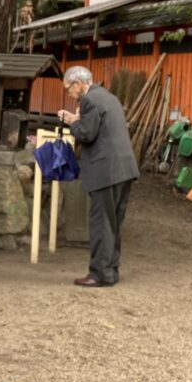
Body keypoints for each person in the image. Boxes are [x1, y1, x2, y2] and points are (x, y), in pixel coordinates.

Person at [57, 66, 139, 287]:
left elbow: (87, 133)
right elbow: (100, 127)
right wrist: (79, 119)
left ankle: (99, 274)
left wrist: (72, 122)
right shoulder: (108, 96)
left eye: (68, 89)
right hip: (125, 168)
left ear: (78, 83)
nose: (69, 94)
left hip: (105, 170)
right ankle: (111, 269)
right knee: (114, 222)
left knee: (101, 222)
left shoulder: (88, 100)